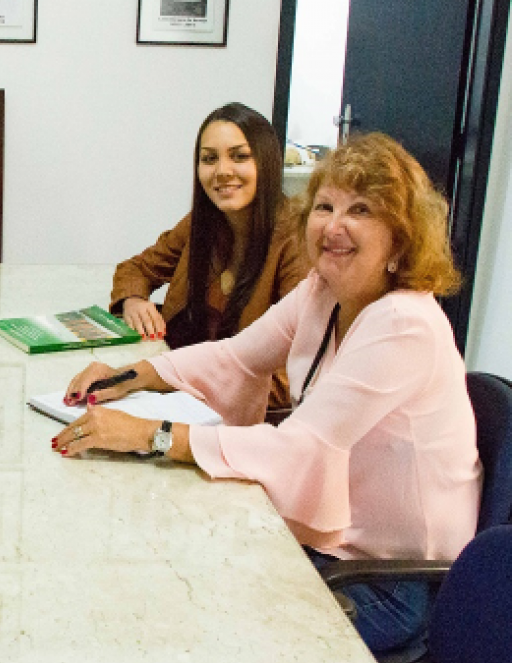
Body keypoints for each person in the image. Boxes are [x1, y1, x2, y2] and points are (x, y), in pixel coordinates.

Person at [54, 133, 481, 657]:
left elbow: (300, 446)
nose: (334, 225)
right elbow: (237, 356)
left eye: (361, 209)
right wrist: (129, 374)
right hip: (338, 546)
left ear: (401, 238)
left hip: (395, 582)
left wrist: (152, 435)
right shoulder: (324, 291)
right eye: (325, 206)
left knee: (218, 636)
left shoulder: (405, 324)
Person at [104, 102, 306, 411]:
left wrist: (166, 381)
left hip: (239, 423)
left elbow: (292, 376)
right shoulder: (201, 222)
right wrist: (133, 300)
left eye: (239, 157)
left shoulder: (295, 239)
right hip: (176, 395)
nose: (222, 171)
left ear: (267, 162)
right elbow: (136, 268)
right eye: (209, 159)